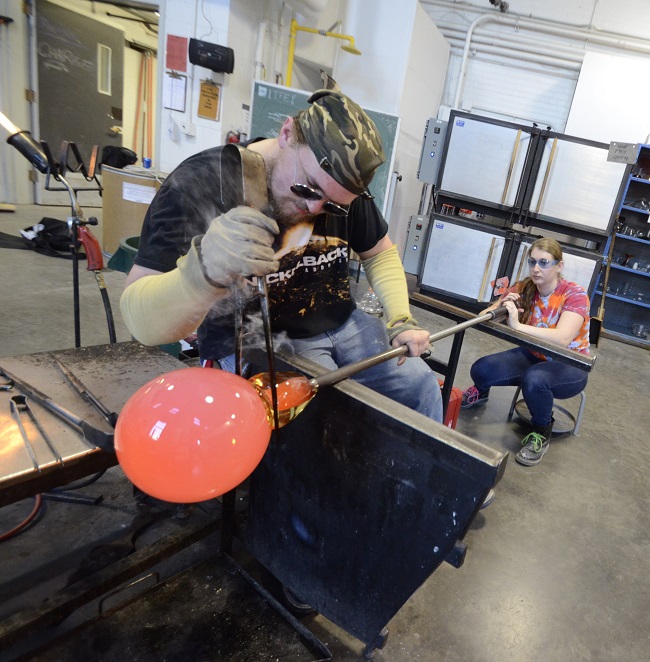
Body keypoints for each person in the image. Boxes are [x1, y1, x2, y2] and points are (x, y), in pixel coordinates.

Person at [120, 89, 443, 423]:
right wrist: (201, 274)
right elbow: (140, 319)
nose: (315, 208)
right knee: (327, 417)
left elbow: (379, 253)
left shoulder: (342, 183)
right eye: (307, 187)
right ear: (287, 133)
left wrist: (401, 319)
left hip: (344, 324)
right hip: (261, 338)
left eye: (333, 205)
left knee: (422, 387)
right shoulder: (200, 184)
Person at [460, 237, 590, 466]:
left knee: (535, 379)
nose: (536, 268)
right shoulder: (524, 287)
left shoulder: (574, 295)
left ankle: (541, 431)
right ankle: (481, 393)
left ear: (559, 266)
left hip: (570, 364)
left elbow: (563, 338)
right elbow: (481, 318)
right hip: (534, 355)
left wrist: (518, 325)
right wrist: (500, 308)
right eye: (532, 262)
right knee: (481, 369)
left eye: (544, 262)